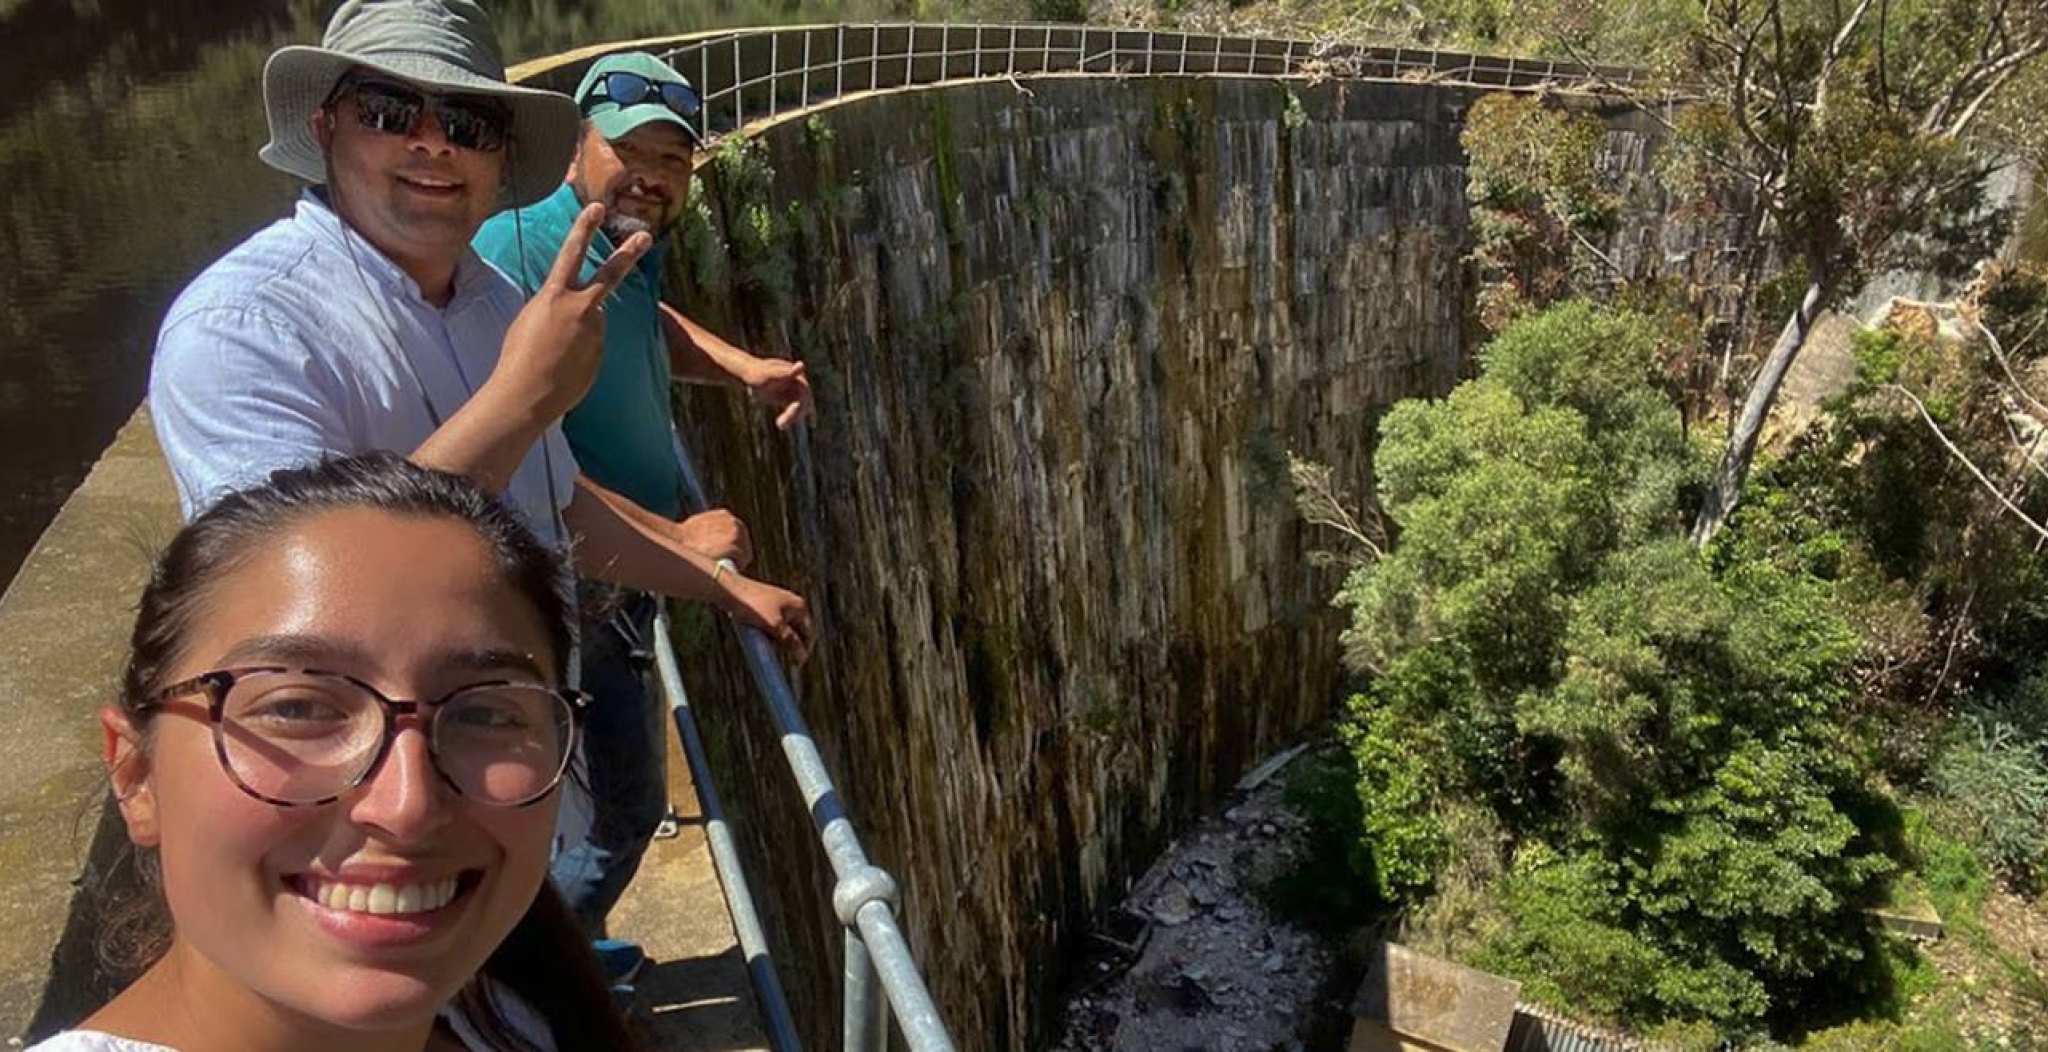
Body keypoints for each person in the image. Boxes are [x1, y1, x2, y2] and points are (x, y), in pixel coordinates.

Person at [147, 0, 816, 660]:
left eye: (468, 123)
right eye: (388, 111)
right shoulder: (245, 328)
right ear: (326, 128)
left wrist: (720, 585)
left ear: (501, 155)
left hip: (540, 722)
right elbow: (278, 599)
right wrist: (523, 396)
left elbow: (560, 505)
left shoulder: (493, 303)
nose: (434, 142)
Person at [30, 452, 639, 1051]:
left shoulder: (510, 1011)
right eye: (297, 709)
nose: (407, 806)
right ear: (137, 775)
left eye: (483, 712)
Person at [472, 52, 813, 960]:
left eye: (676, 161)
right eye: (634, 151)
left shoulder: (616, 241)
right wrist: (695, 554)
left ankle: (558, 955)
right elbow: (529, 472)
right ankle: (541, 972)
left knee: (585, 804)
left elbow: (643, 321)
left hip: (624, 574)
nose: (655, 178)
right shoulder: (525, 252)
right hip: (578, 583)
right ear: (578, 141)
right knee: (622, 811)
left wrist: (742, 369)